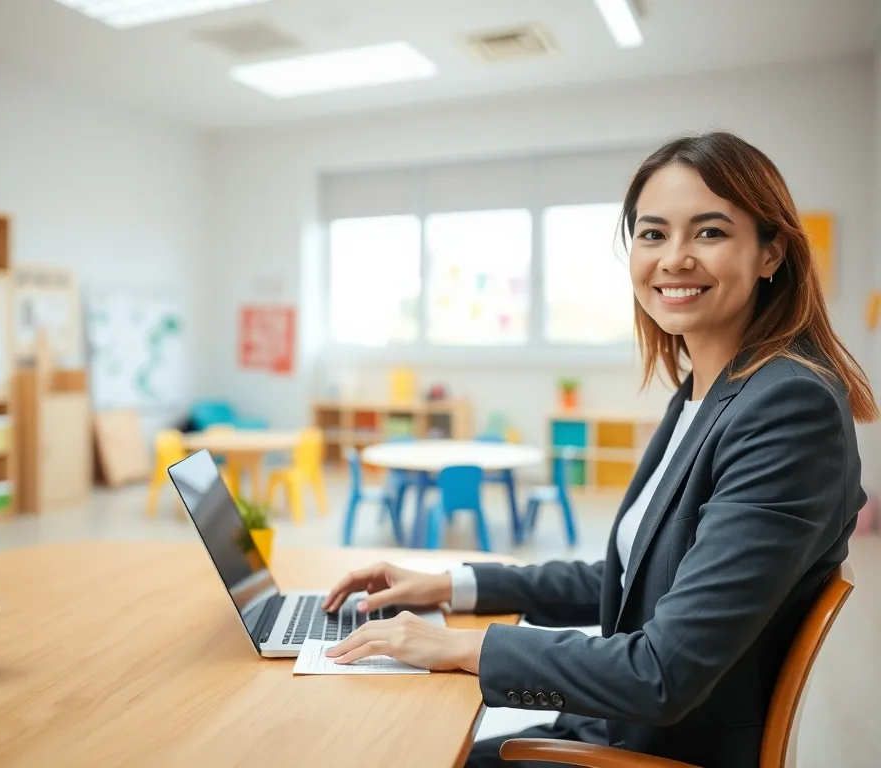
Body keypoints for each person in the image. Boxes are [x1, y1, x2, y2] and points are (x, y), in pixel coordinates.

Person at [322, 131, 879, 768]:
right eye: (652, 233)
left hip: (653, 749)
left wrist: (458, 648)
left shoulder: (787, 408)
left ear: (770, 252)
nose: (674, 258)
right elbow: (630, 578)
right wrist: (450, 584)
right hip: (616, 728)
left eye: (710, 232)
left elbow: (662, 672)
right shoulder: (703, 392)